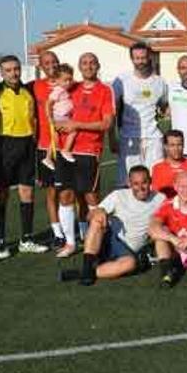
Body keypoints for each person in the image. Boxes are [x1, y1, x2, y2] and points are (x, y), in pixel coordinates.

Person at [53, 53, 115, 258]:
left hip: (89, 151)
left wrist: (78, 125)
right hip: (66, 150)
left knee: (90, 197)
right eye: (84, 63)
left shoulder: (105, 90)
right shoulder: (72, 87)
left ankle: (96, 239)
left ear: (98, 66)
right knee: (65, 195)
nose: (88, 66)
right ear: (79, 67)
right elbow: (55, 100)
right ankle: (71, 243)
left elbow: (106, 124)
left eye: (92, 63)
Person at [0, 55, 46, 258]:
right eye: (8, 70)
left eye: (16, 69)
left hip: (26, 145)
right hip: (2, 146)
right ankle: (1, 242)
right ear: (1, 73)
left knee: (27, 194)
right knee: (1, 193)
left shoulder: (29, 90)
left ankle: (26, 239)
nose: (13, 73)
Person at [68, 166, 166, 285]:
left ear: (150, 181)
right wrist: (99, 212)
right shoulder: (119, 195)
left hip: (128, 251)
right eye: (135, 183)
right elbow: (89, 216)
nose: (140, 187)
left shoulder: (160, 199)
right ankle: (87, 265)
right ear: (129, 183)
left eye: (144, 182)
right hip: (109, 241)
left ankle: (84, 273)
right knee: (97, 219)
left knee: (130, 264)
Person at [112, 42, 168, 187]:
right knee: (127, 182)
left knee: (156, 181)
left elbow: (164, 106)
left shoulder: (160, 82)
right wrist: (112, 138)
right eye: (137, 58)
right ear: (132, 59)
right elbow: (113, 111)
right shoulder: (121, 81)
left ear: (149, 57)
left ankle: (157, 210)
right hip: (129, 138)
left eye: (143, 58)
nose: (140, 61)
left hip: (154, 138)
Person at [32, 50, 63, 247]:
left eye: (53, 61)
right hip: (45, 147)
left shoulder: (69, 83)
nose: (50, 64)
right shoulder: (35, 86)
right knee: (52, 193)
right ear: (41, 66)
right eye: (46, 62)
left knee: (71, 191)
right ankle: (58, 233)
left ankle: (79, 230)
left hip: (68, 147)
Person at [150, 130, 187, 198]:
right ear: (166, 147)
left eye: (179, 145)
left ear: (183, 145)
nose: (176, 149)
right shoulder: (157, 168)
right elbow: (156, 194)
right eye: (172, 145)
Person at [43, 64, 77, 168]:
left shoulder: (64, 89)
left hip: (62, 117)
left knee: (55, 139)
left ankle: (48, 158)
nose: (68, 82)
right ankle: (66, 150)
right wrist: (50, 118)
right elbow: (48, 103)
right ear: (57, 80)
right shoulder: (58, 90)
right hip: (60, 117)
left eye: (70, 79)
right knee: (74, 131)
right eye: (65, 80)